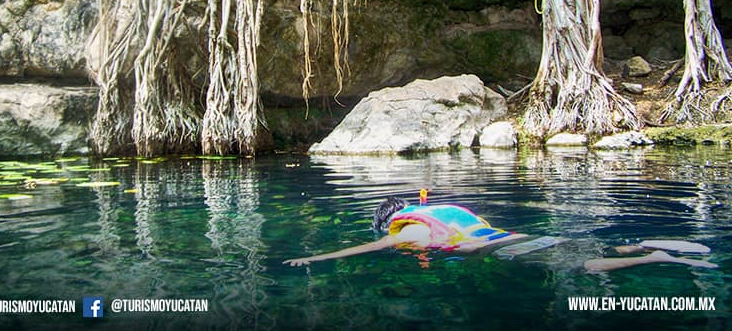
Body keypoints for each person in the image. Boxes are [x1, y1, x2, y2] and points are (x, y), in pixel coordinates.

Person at [283, 192, 718, 271]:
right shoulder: (443, 213)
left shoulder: (407, 235)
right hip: (514, 237)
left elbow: (362, 249)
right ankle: (643, 244)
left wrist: (313, 259)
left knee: (587, 265)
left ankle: (653, 257)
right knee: (585, 247)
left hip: (513, 251)